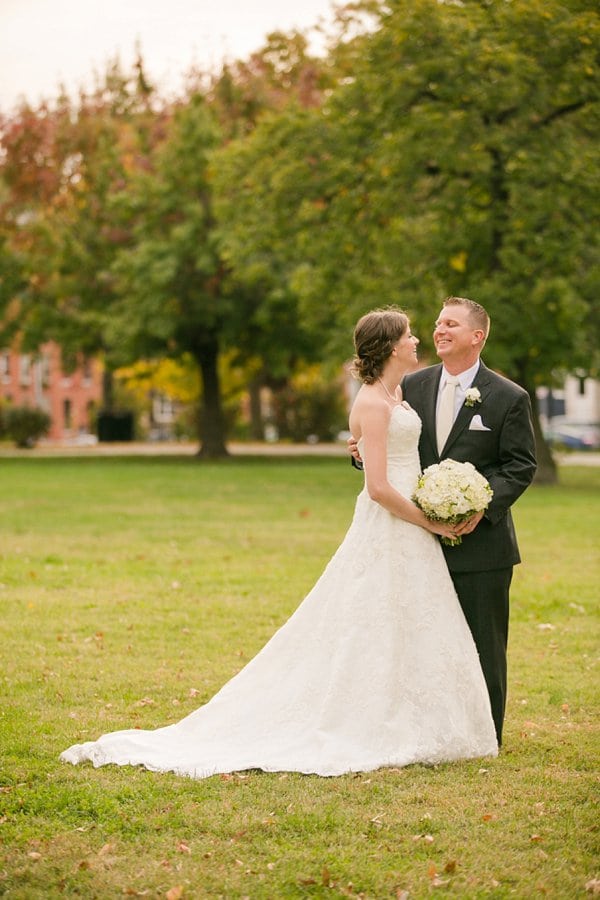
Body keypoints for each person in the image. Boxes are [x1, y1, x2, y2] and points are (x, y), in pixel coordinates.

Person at [61, 308, 497, 780]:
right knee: (371, 618)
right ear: (392, 346)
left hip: (411, 524)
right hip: (390, 522)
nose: (418, 341)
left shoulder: (400, 393)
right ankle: (367, 718)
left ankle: (421, 716)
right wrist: (431, 522)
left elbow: (406, 451)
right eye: (410, 335)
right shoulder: (372, 402)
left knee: (412, 618)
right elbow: (377, 487)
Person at [350, 297, 537, 745]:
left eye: (451, 324)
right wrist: (357, 453)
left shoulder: (509, 397)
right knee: (423, 637)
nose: (439, 330)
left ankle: (485, 734)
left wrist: (480, 507)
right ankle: (431, 728)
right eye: (436, 323)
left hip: (483, 543)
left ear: (478, 336)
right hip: (414, 537)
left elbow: (520, 466)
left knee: (483, 644)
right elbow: (387, 448)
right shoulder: (408, 386)